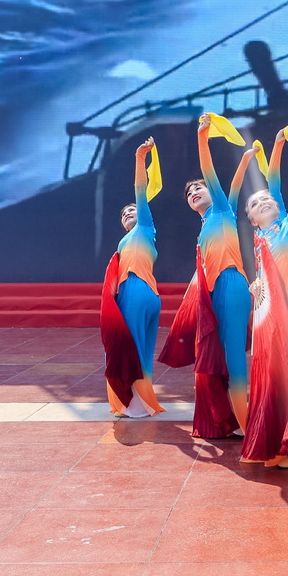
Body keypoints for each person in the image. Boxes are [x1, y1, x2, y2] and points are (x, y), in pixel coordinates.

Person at [237, 125, 288, 467]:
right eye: (255, 203)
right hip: (272, 314)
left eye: (267, 199)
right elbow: (262, 277)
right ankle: (284, 442)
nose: (264, 201)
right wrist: (255, 284)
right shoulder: (260, 243)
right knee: (280, 377)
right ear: (252, 220)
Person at [181, 115, 252, 437]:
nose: (194, 191)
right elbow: (234, 189)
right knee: (217, 358)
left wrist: (202, 137)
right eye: (189, 193)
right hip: (212, 295)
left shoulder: (222, 211)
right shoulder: (208, 224)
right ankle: (231, 419)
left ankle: (250, 426)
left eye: (200, 187)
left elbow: (211, 173)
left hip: (231, 285)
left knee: (233, 357)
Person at [100, 138, 166, 418]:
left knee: (130, 347)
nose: (129, 213)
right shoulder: (125, 241)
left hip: (137, 290)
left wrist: (140, 158)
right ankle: (143, 402)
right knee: (140, 349)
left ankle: (135, 405)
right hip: (145, 293)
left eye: (133, 210)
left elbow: (141, 190)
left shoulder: (145, 227)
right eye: (124, 214)